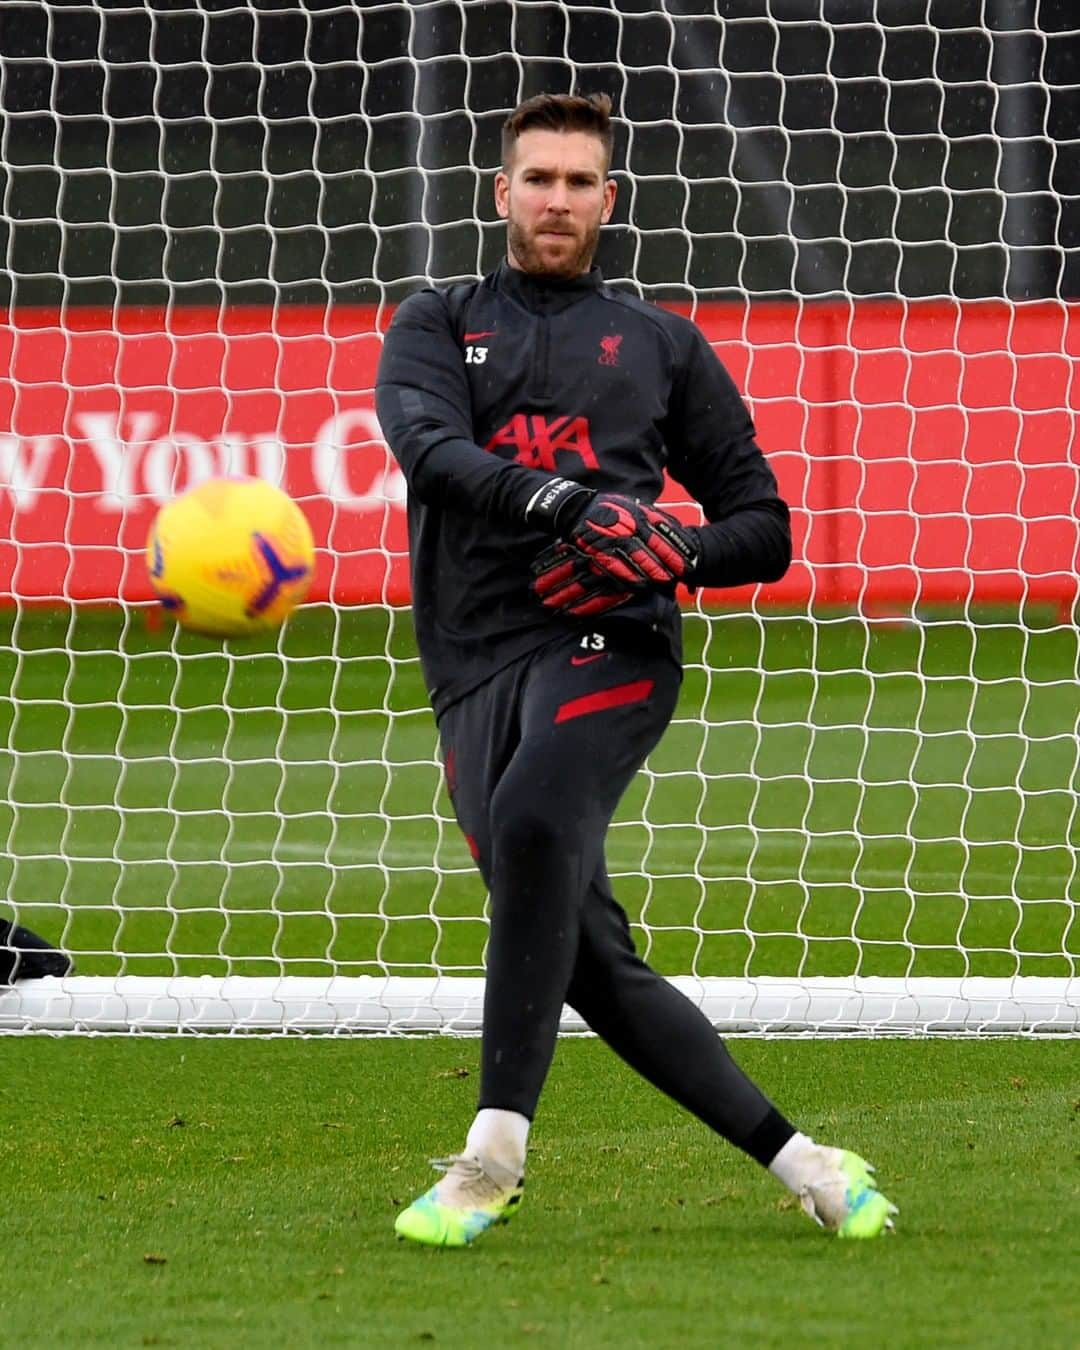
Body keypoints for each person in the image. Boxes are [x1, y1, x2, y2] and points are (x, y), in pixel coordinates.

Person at [375, 92, 897, 1247]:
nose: (557, 198)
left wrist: (677, 549)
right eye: (538, 178)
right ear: (499, 192)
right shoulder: (434, 321)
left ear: (611, 200)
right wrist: (567, 505)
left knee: (535, 823)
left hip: (612, 644)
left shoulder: (663, 340)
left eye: (580, 181)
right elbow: (432, 451)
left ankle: (489, 1159)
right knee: (584, 953)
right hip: (471, 664)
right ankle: (807, 1163)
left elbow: (764, 528)